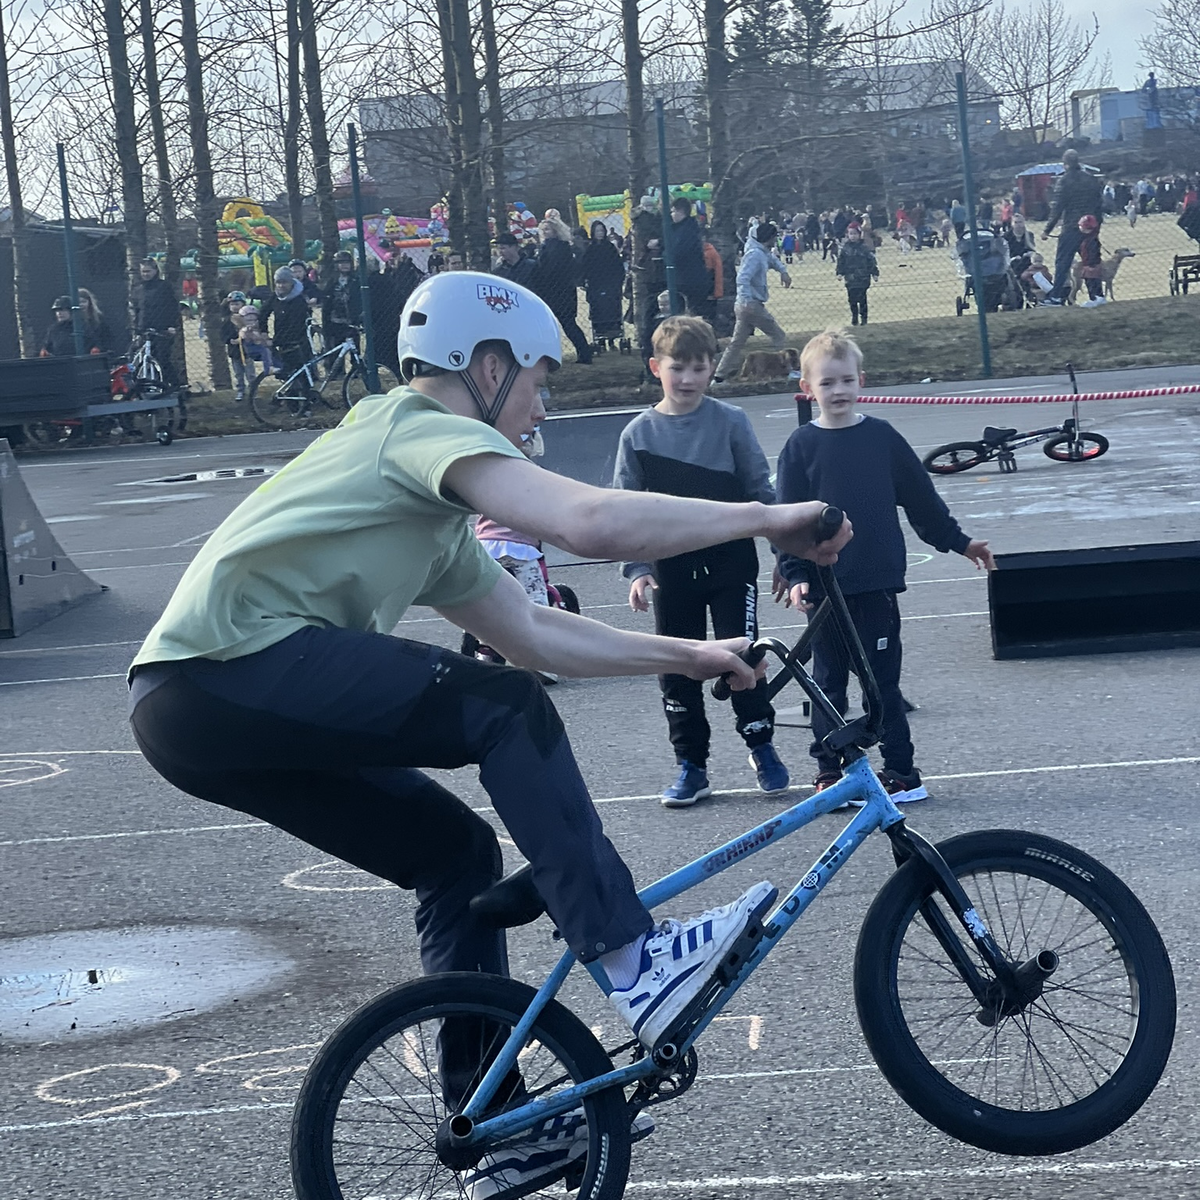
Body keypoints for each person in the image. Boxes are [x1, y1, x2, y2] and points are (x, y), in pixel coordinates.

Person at [126, 270, 849, 1189]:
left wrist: (690, 655)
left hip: (192, 712)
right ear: (489, 365)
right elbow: (589, 522)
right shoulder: (414, 426)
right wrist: (772, 517)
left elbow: (537, 633)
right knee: (508, 706)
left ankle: (492, 1123)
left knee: (456, 857)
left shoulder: (425, 508)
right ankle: (635, 960)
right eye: (538, 380)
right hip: (225, 668)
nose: (542, 405)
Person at [774, 329, 994, 804]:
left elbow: (922, 501)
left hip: (875, 584)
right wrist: (795, 575)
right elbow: (786, 520)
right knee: (827, 684)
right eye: (827, 383)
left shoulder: (882, 438)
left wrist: (960, 543)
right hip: (824, 589)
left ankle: (901, 773)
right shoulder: (800, 446)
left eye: (846, 380)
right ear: (808, 388)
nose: (838, 391)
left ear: (862, 380)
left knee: (881, 685)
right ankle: (831, 771)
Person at [615, 314, 790, 805]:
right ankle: (691, 765)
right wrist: (638, 569)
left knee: (745, 656)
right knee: (677, 666)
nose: (688, 378)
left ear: (713, 367)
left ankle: (762, 745)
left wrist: (784, 553)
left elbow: (761, 493)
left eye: (699, 367)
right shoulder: (637, 435)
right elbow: (623, 510)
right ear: (656, 367)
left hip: (732, 564)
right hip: (672, 569)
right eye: (678, 367)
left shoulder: (730, 422)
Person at [713, 222, 792, 381]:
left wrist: (783, 272)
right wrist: (747, 300)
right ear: (768, 237)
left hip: (743, 305)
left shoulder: (761, 252)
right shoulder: (754, 255)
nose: (775, 239)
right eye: (774, 236)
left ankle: (719, 377)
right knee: (778, 336)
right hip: (751, 304)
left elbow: (773, 260)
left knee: (736, 343)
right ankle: (784, 371)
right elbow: (742, 278)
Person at [1042, 149, 1103, 305]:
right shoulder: (1090, 179)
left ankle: (1056, 296)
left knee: (1063, 262)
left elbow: (1057, 207)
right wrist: (1097, 225)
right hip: (1090, 226)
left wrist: (1047, 230)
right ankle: (1096, 295)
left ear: (1065, 164)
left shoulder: (1064, 181)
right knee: (1091, 261)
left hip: (1071, 226)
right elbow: (1098, 203)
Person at [533, 215, 592, 364]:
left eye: (548, 229)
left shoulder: (555, 247)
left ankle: (583, 353)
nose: (545, 232)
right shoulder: (557, 246)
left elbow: (550, 269)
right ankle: (584, 353)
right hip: (562, 291)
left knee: (566, 324)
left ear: (555, 231)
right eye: (543, 229)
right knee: (568, 324)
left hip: (557, 291)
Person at [132, 258, 180, 390]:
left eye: (148, 271)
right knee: (140, 357)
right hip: (144, 329)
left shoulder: (164, 286)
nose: (145, 274)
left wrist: (171, 326)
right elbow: (136, 310)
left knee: (162, 358)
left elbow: (172, 307)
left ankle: (174, 386)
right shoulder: (138, 289)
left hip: (162, 329)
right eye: (143, 271)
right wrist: (136, 328)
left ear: (155, 271)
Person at [578, 220, 625, 346]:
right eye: (597, 231)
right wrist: (583, 281)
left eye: (602, 231)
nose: (600, 233)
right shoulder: (589, 250)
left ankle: (612, 336)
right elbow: (584, 267)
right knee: (598, 309)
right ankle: (600, 337)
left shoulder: (610, 248)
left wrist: (618, 281)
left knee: (612, 308)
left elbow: (618, 266)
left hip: (610, 284)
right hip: (595, 285)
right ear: (593, 232)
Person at [259, 265, 312, 375]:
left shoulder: (300, 298)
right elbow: (263, 313)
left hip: (300, 341)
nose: (281, 285)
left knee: (304, 372)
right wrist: (264, 331)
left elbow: (307, 319)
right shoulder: (275, 297)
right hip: (281, 339)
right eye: (278, 282)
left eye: (284, 282)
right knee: (286, 372)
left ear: (291, 282)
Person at [667, 197, 711, 315]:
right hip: (685, 278)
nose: (671, 215)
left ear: (680, 211)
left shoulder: (687, 230)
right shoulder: (680, 228)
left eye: (673, 211)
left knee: (692, 311)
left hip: (690, 279)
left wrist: (665, 254)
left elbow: (680, 251)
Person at [321, 250, 362, 366]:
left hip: (352, 322)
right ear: (336, 265)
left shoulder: (356, 280)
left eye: (347, 262)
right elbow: (326, 304)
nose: (344, 265)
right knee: (336, 352)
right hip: (335, 322)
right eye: (341, 263)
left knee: (355, 350)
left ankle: (356, 370)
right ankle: (338, 371)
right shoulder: (332, 282)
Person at [835, 222, 878, 326]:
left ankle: (864, 318)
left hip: (863, 277)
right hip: (850, 278)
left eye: (855, 234)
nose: (853, 236)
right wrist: (840, 273)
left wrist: (874, 273)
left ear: (859, 234)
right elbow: (841, 262)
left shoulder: (864, 248)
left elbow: (871, 261)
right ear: (847, 235)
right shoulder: (845, 248)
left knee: (862, 298)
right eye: (851, 234)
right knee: (852, 299)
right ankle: (854, 317)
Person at [220, 291, 250, 400]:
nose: (234, 307)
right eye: (232, 304)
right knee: (238, 373)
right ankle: (241, 390)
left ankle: (253, 390)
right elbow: (223, 334)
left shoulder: (247, 318)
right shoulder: (227, 320)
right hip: (234, 352)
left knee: (250, 373)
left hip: (247, 352)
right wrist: (230, 340)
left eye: (237, 304)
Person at [1076, 214, 1106, 307]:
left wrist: (1090, 264)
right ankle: (1099, 297)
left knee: (1091, 282)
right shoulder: (1090, 238)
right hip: (1093, 264)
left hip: (1091, 265)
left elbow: (1092, 253)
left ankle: (1094, 298)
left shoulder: (1090, 240)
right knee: (1095, 280)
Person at [77, 288, 112, 354]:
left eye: (83, 302)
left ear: (89, 302)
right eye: (78, 302)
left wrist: (98, 348)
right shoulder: (72, 321)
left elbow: (105, 338)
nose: (81, 304)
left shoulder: (99, 319)